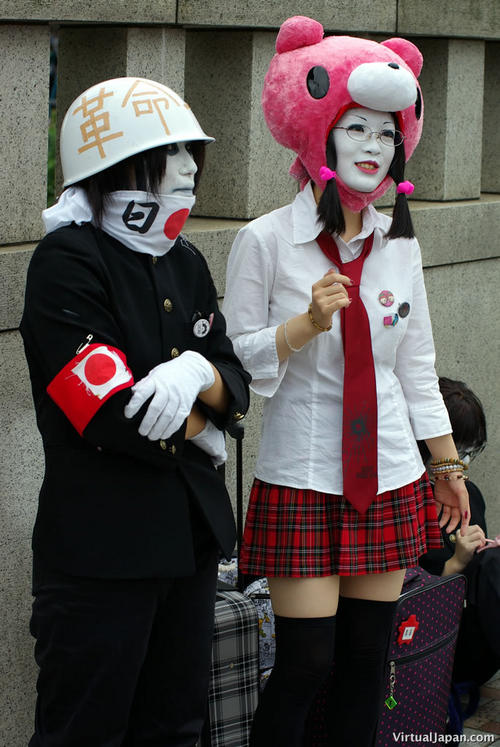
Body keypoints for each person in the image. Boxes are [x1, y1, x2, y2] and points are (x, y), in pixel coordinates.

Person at [222, 17, 470, 747]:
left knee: (368, 660)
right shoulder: (265, 239)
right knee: (305, 662)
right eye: (357, 129)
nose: (373, 147)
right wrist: (303, 324)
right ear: (319, 136)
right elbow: (239, 360)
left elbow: (416, 365)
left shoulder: (398, 244)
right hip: (305, 477)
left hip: (390, 473)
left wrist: (446, 466)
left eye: (386, 134)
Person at [20, 76, 250, 746]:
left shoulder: (184, 258)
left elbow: (234, 379)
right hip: (102, 552)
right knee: (85, 730)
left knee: (177, 727)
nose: (186, 169)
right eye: (169, 153)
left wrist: (199, 371)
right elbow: (115, 415)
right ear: (116, 166)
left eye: (190, 154)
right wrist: (207, 417)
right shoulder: (67, 262)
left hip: (191, 540)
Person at [419, 378, 499, 692]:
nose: (462, 464)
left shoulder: (470, 496)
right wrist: (454, 565)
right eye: (458, 450)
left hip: (476, 639)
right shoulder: (399, 505)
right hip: (428, 647)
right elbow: (398, 604)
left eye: (470, 452)